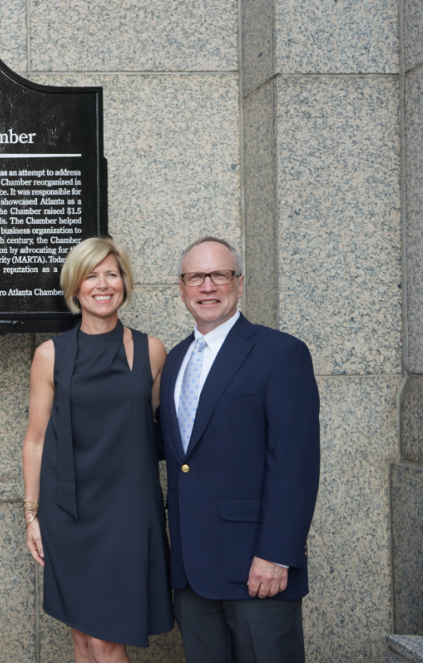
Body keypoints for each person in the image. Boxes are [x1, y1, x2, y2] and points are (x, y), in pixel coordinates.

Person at [160, 236, 320, 662]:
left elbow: (295, 464)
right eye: (196, 276)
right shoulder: (175, 360)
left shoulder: (281, 353)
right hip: (192, 573)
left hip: (257, 567)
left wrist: (276, 554)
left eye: (219, 275)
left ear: (240, 282)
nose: (207, 286)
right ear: (181, 287)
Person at [22, 237, 174, 663]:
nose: (103, 284)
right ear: (75, 288)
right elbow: (35, 439)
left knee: (107, 643)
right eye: (92, 275)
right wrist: (32, 515)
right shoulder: (50, 355)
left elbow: (166, 433)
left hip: (127, 515)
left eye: (112, 274)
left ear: (124, 284)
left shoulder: (152, 350)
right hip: (68, 515)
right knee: (83, 642)